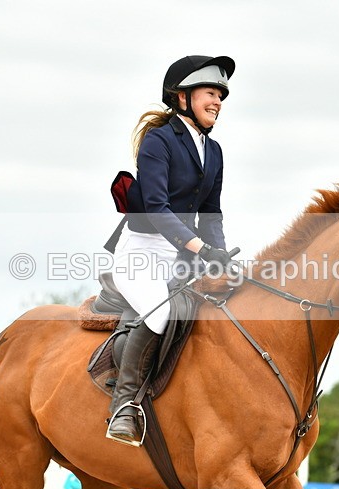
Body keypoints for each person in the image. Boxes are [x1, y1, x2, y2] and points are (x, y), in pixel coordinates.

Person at [107, 55, 237, 445]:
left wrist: (222, 257)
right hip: (143, 249)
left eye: (220, 96)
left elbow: (211, 213)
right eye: (210, 93)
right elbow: (158, 208)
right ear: (182, 98)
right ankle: (123, 405)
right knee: (161, 312)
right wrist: (201, 248)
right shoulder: (159, 140)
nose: (217, 101)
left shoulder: (213, 151)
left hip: (183, 253)